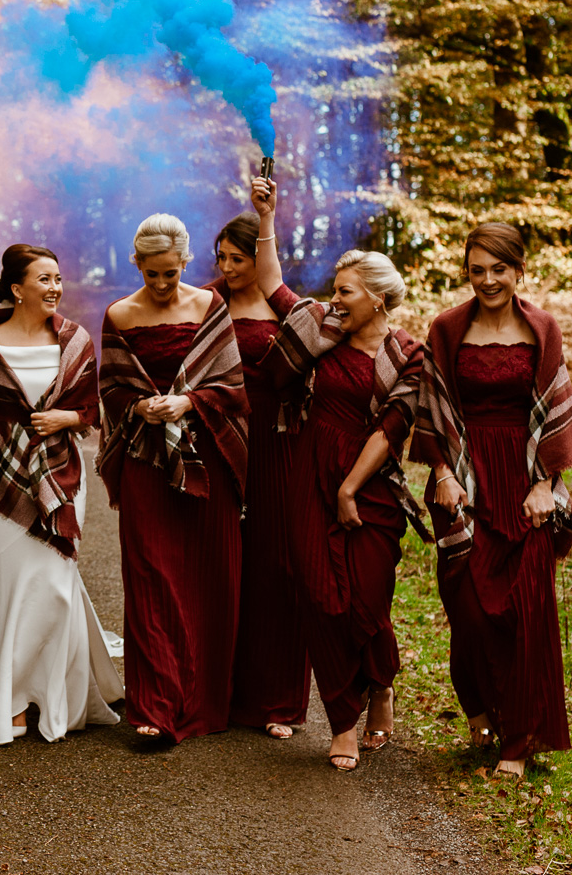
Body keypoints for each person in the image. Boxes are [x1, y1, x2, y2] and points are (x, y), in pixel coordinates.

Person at [0, 245, 124, 743]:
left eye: (58, 278)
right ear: (17, 289)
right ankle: (8, 697)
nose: (55, 287)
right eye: (44, 279)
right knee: (10, 583)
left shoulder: (76, 341)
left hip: (60, 476)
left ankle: (54, 692)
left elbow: (93, 407)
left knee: (55, 585)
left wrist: (67, 418)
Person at [411, 223, 572, 779]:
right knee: (468, 609)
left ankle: (518, 740)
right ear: (467, 271)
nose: (487, 280)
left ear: (518, 271)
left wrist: (544, 485)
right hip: (463, 479)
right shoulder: (446, 329)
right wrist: (442, 472)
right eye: (477, 269)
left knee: (524, 611)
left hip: (525, 483)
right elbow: (435, 407)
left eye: (498, 269)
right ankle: (482, 709)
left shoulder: (541, 329)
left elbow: (556, 408)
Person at [268, 248, 427, 772]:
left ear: (377, 298)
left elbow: (394, 426)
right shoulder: (323, 335)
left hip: (372, 484)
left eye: (345, 291)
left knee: (366, 598)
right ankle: (341, 722)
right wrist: (266, 219)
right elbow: (274, 287)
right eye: (334, 290)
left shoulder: (408, 353)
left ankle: (380, 685)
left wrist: (350, 489)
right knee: (320, 597)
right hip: (311, 476)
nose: (333, 300)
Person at [97, 214, 249, 745]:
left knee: (210, 576)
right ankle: (155, 708)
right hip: (145, 459)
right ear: (136, 264)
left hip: (205, 457)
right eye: (150, 274)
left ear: (185, 264)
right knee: (150, 576)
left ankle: (205, 702)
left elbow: (231, 384)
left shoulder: (211, 307)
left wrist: (188, 401)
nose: (160, 285)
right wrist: (141, 405)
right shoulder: (118, 314)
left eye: (170, 273)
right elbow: (111, 388)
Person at [205, 180, 313, 740]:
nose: (226, 266)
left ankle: (279, 702)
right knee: (226, 565)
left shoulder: (283, 305)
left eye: (237, 258)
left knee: (278, 566)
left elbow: (321, 351)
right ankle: (220, 693)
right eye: (220, 257)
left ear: (258, 257)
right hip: (220, 439)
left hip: (278, 442)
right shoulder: (206, 300)